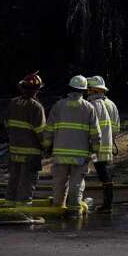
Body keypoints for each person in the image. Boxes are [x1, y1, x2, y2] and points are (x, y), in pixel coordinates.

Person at [43, 75, 100, 216]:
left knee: (59, 184)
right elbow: (96, 134)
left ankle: (57, 209)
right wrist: (95, 152)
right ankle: (74, 213)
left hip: (60, 155)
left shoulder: (58, 106)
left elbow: (48, 130)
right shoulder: (89, 108)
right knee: (76, 184)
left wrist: (46, 148)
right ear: (84, 90)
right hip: (80, 157)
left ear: (70, 88)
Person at [4, 72, 47, 205]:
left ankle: (9, 206)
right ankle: (23, 211)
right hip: (31, 154)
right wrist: (47, 147)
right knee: (27, 183)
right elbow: (41, 132)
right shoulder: (36, 107)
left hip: (14, 151)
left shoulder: (13, 103)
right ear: (37, 90)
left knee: (14, 181)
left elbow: (6, 124)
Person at [87, 75, 120, 212]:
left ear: (93, 90)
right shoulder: (111, 104)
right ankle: (108, 203)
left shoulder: (92, 105)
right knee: (105, 173)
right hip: (107, 147)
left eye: (88, 89)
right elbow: (116, 128)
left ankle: (107, 206)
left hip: (95, 147)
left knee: (101, 173)